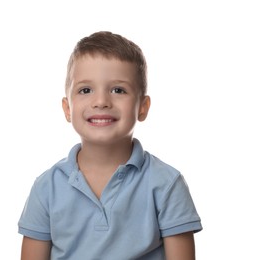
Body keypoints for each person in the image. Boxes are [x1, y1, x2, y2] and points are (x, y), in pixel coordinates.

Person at [18, 31, 202, 260]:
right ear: (67, 108)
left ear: (142, 107)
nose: (101, 101)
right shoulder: (46, 188)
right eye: (85, 90)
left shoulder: (166, 184)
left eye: (118, 90)